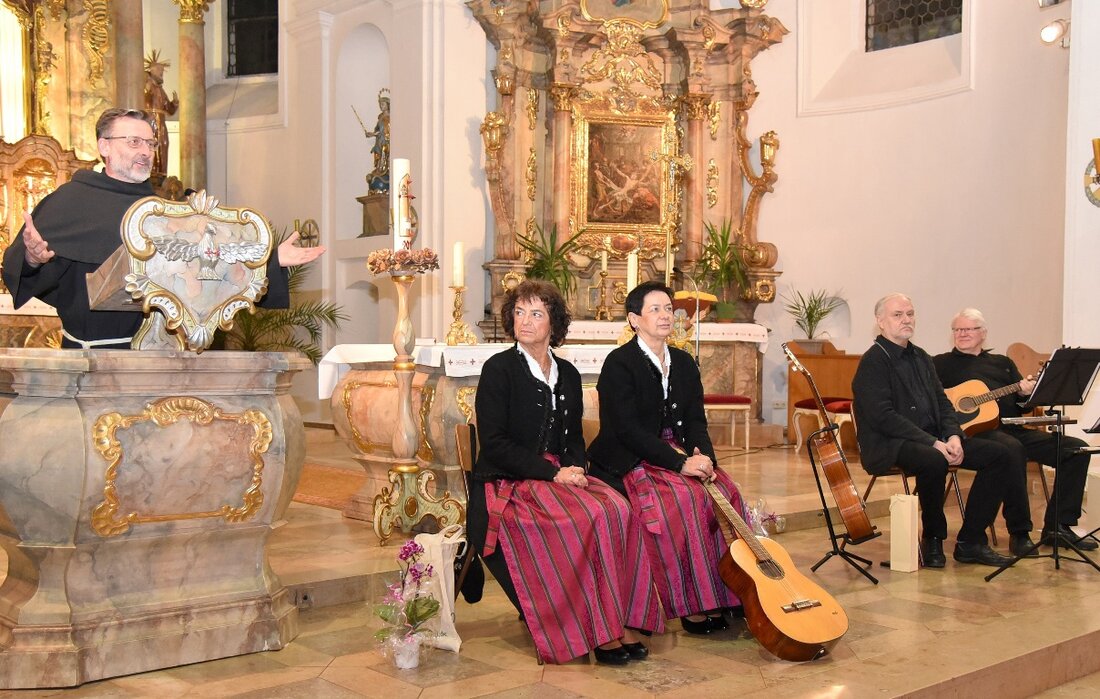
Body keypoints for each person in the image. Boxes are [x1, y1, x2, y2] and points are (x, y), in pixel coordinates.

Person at [0, 107, 325, 349]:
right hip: (94, 361)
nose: (145, 152)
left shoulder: (166, 210)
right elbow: (24, 268)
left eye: (150, 144)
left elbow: (206, 265)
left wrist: (270, 259)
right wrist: (32, 259)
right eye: (134, 142)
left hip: (161, 356)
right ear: (104, 146)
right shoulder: (69, 201)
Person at [466, 280, 664, 666]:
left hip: (557, 476)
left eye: (536, 313)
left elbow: (572, 437)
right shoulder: (499, 370)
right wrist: (551, 473)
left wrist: (575, 467)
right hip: (508, 483)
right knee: (585, 516)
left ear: (553, 324)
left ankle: (616, 619)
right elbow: (494, 444)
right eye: (519, 312)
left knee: (617, 509)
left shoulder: (569, 375)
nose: (525, 320)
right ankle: (591, 629)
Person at [587, 280, 745, 636]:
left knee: (728, 493)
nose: (665, 316)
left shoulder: (685, 363)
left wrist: (705, 458)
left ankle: (730, 593)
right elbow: (626, 430)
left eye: (668, 309)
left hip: (678, 453)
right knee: (682, 500)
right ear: (633, 319)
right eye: (654, 309)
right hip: (632, 456)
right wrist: (678, 464)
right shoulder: (619, 364)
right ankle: (692, 603)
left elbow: (695, 420)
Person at [852, 293, 1014, 568]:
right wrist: (933, 443)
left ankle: (970, 541)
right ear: (880, 321)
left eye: (910, 314)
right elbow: (883, 417)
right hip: (890, 443)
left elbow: (943, 403)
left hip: (934, 439)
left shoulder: (921, 357)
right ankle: (933, 540)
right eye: (898, 315)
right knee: (933, 459)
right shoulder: (873, 362)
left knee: (1001, 454)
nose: (906, 320)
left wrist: (953, 436)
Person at [933, 308, 1096, 552]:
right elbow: (934, 401)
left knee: (1075, 448)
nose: (962, 334)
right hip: (974, 434)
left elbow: (1022, 408)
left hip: (1012, 428)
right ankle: (1019, 531)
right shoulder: (940, 364)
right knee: (1011, 450)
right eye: (957, 329)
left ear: (983, 333)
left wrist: (1024, 393)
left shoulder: (1003, 363)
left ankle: (1058, 526)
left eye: (968, 329)